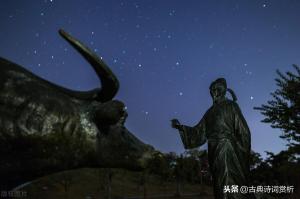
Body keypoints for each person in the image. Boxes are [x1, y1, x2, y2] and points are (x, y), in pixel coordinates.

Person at [171, 78, 253, 199]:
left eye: (217, 90)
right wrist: (181, 128)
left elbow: (243, 130)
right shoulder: (210, 112)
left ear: (222, 91)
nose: (214, 93)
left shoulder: (231, 106)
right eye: (212, 91)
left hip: (228, 148)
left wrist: (240, 149)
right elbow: (199, 131)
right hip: (213, 150)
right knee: (219, 180)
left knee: (230, 179)